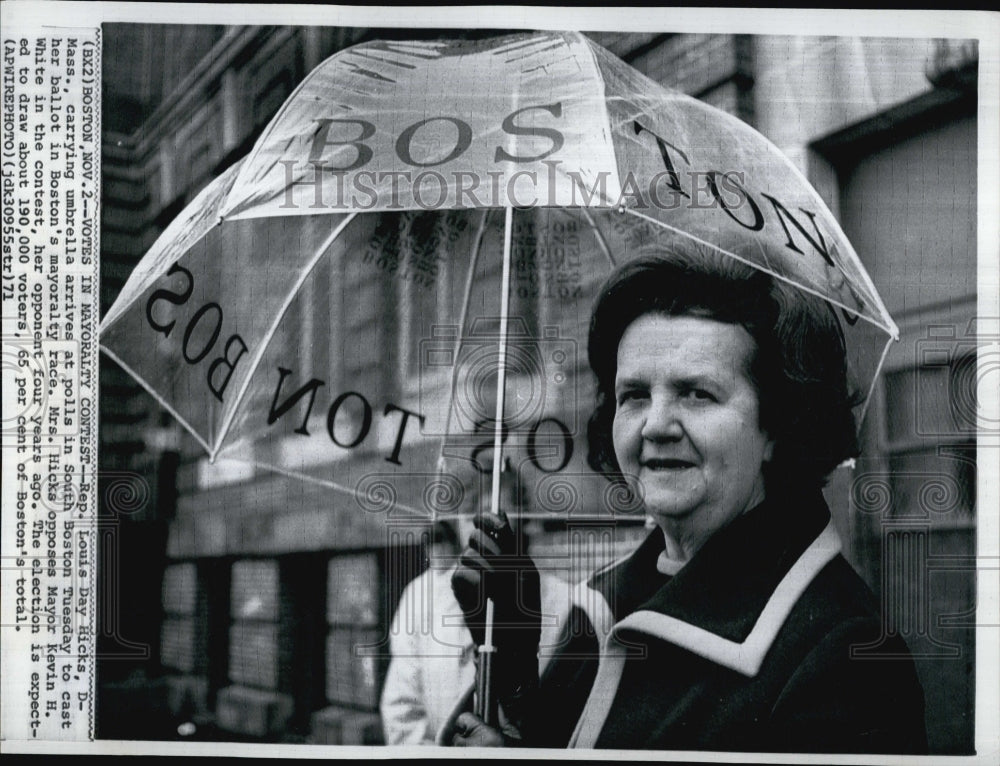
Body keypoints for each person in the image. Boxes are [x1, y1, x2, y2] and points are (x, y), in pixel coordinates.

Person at [448, 251, 927, 753]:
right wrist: (512, 658)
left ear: (779, 425)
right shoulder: (603, 600)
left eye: (696, 393)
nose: (655, 424)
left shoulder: (847, 656)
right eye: (633, 395)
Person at [381, 473, 568, 745]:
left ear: (523, 519)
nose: (482, 529)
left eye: (496, 513)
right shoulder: (420, 596)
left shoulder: (564, 604)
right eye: (471, 516)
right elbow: (402, 712)